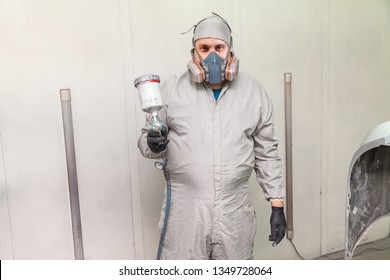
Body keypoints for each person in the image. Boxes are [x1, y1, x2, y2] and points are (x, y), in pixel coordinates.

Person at [138, 13, 286, 260]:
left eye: (219, 47)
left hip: (235, 210)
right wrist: (152, 143)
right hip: (185, 212)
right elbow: (147, 141)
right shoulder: (171, 90)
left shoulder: (253, 92)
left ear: (230, 52)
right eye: (204, 48)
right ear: (193, 53)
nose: (212, 56)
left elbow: (267, 152)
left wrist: (277, 204)